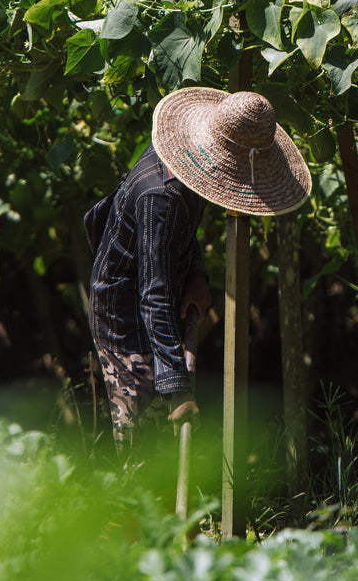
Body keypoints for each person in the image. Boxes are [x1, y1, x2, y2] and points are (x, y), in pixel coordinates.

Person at [87, 87, 312, 449]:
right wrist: (178, 388)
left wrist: (197, 274)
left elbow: (179, 237)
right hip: (126, 315)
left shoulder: (190, 163)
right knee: (142, 443)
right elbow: (153, 294)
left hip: (157, 291)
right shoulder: (161, 197)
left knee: (162, 434)